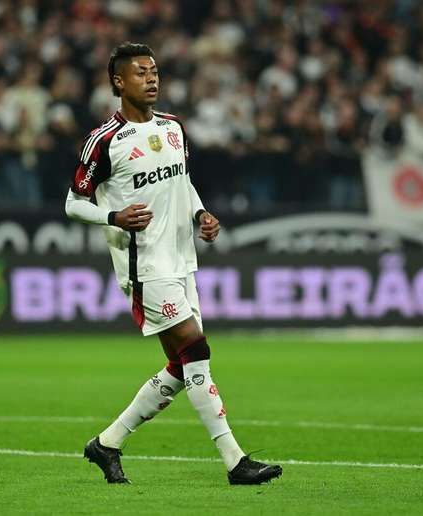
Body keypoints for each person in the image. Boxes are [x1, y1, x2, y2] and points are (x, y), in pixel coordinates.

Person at [64, 42, 282, 486]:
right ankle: (235, 462)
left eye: (155, 70)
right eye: (141, 72)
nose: (152, 78)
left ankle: (106, 444)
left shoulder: (174, 128)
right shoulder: (104, 141)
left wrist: (199, 213)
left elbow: (182, 183)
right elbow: (73, 202)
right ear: (118, 82)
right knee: (196, 352)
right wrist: (113, 216)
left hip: (183, 259)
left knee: (184, 368)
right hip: (144, 265)